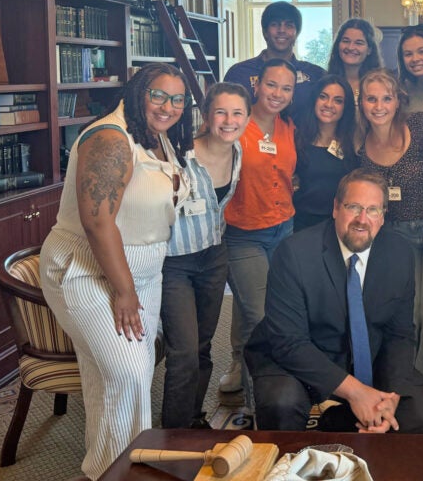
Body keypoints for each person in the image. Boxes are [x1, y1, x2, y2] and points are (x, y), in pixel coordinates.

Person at [39, 63, 192, 479]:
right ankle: (121, 471)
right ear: (138, 91)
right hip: (88, 270)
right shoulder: (110, 137)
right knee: (129, 373)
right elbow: (98, 222)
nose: (169, 106)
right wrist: (124, 291)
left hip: (145, 271)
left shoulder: (155, 135)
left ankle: (110, 469)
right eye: (159, 95)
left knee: (114, 377)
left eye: (178, 99)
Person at [247, 169, 423, 434]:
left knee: (420, 413)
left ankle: (338, 422)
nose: (362, 219)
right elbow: (289, 342)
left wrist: (390, 397)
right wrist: (356, 392)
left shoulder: (399, 254)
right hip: (299, 356)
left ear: (383, 217)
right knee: (281, 404)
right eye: (354, 207)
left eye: (373, 210)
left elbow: (400, 334)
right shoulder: (294, 253)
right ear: (336, 208)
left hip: (364, 356)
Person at [356, 68, 423, 407]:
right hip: (394, 237)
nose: (379, 106)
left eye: (386, 98)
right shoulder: (358, 143)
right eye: (371, 98)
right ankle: (406, 383)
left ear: (398, 101)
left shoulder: (421, 126)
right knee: (409, 314)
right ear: (362, 103)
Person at [160, 82, 249, 430]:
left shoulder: (238, 152)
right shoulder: (178, 156)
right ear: (207, 115)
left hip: (214, 257)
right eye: (221, 112)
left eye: (237, 113)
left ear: (247, 117)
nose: (229, 120)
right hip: (176, 262)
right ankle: (173, 434)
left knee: (202, 345)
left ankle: (193, 419)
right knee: (183, 351)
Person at [223, 58, 299, 418]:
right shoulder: (237, 125)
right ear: (257, 84)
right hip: (243, 234)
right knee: (260, 316)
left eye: (286, 88)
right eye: (272, 85)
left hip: (284, 229)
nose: (278, 94)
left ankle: (240, 364)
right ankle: (261, 408)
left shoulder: (288, 127)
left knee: (252, 303)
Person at [223, 1, 324, 116]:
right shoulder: (239, 73)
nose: (282, 30)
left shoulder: (315, 75)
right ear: (265, 32)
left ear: (296, 33)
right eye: (275, 24)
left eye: (289, 25)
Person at [293, 76, 359, 233]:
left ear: (345, 107)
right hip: (300, 225)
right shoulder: (296, 137)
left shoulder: (355, 142)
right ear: (314, 100)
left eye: (338, 100)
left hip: (340, 226)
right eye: (323, 97)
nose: (329, 105)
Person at [326, 17, 383, 103]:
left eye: (359, 43)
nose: (350, 47)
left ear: (369, 50)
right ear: (338, 45)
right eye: (346, 41)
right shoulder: (325, 82)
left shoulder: (381, 84)